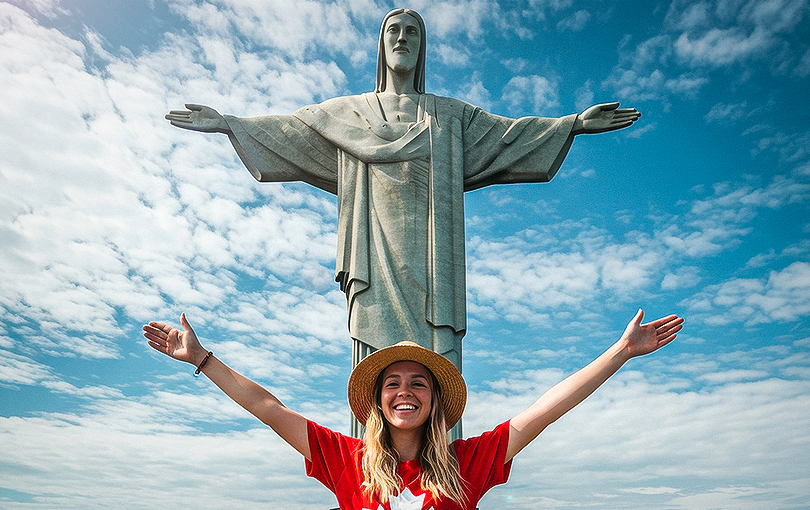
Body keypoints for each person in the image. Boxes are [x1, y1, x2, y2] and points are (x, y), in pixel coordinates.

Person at [164, 9, 642, 374]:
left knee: (435, 368)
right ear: (380, 46)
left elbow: (507, 135)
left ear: (422, 48)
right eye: (393, 30)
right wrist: (230, 125)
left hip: (435, 268)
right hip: (372, 262)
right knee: (376, 370)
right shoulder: (347, 114)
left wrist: (572, 125)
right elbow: (291, 131)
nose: (402, 39)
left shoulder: (450, 118)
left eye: (412, 32)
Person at [143, 309, 683, 510]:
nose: (405, 392)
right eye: (392, 383)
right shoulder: (346, 460)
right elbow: (267, 406)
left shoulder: (469, 466)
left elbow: (546, 410)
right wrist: (202, 359)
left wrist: (621, 352)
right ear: (378, 401)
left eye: (418, 383)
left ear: (435, 399)